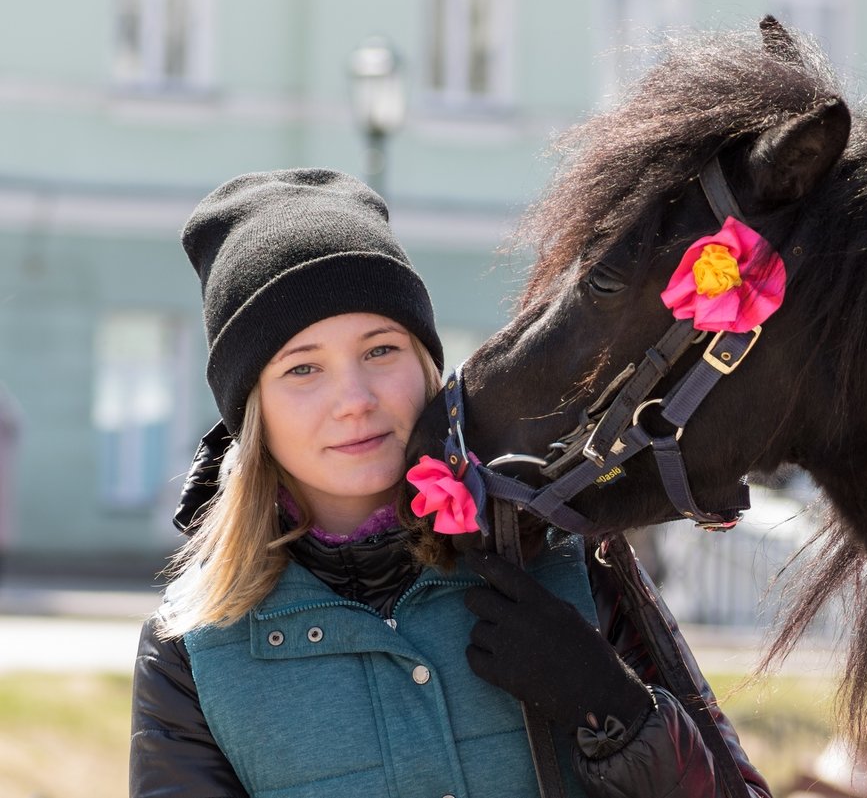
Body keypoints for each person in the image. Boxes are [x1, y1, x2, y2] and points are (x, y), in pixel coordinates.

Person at [129, 167, 772, 798]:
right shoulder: (190, 650)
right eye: (302, 369)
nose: (354, 399)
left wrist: (619, 716)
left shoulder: (567, 561)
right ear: (251, 410)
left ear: (428, 366)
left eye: (381, 350)